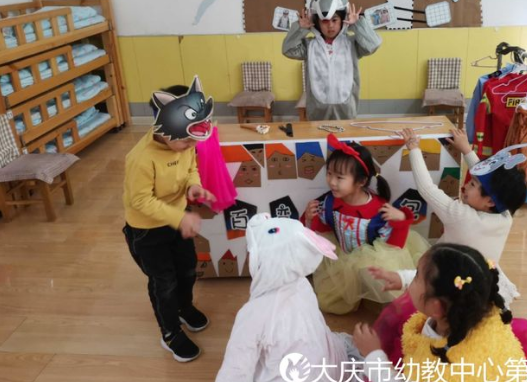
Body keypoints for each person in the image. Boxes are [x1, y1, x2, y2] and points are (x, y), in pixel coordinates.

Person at [123, 76, 216, 362]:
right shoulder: (141, 158)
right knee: (163, 281)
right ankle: (170, 331)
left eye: (194, 139)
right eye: (187, 139)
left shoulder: (184, 144)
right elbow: (140, 201)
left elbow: (191, 168)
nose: (191, 145)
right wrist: (179, 217)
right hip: (148, 231)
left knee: (187, 270)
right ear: (163, 127)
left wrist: (193, 185)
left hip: (177, 220)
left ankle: (183, 307)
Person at [353, 243, 527, 382]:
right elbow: (443, 283)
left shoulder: (443, 369)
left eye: (416, 277)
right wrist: (403, 278)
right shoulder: (478, 301)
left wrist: (374, 355)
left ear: (437, 308)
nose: (413, 279)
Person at [215, 214, 355, 382]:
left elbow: (235, 371)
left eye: (251, 252)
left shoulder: (253, 314)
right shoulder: (303, 285)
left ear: (266, 261)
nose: (247, 257)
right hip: (327, 370)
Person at [401, 127, 527, 305]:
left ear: (490, 201)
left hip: (451, 282)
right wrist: (466, 149)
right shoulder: (505, 215)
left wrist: (414, 149)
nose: (466, 185)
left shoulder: (461, 216)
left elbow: (427, 188)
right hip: (482, 281)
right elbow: (487, 180)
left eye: (472, 184)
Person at [303, 133, 427, 314]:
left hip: (375, 257)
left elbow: (394, 247)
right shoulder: (329, 202)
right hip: (343, 257)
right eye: (329, 174)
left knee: (393, 296)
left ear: (361, 181)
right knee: (330, 303)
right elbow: (323, 231)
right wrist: (310, 218)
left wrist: (400, 219)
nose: (332, 182)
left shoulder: (378, 210)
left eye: (339, 177)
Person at [282, 0, 381, 120]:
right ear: (317, 22)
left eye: (335, 20)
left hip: (346, 110)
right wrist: (300, 28)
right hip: (317, 111)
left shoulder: (352, 44)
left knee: (345, 134)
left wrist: (357, 25)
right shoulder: (309, 46)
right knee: (317, 134)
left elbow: (373, 44)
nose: (330, 26)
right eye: (325, 21)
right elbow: (288, 49)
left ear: (342, 20)